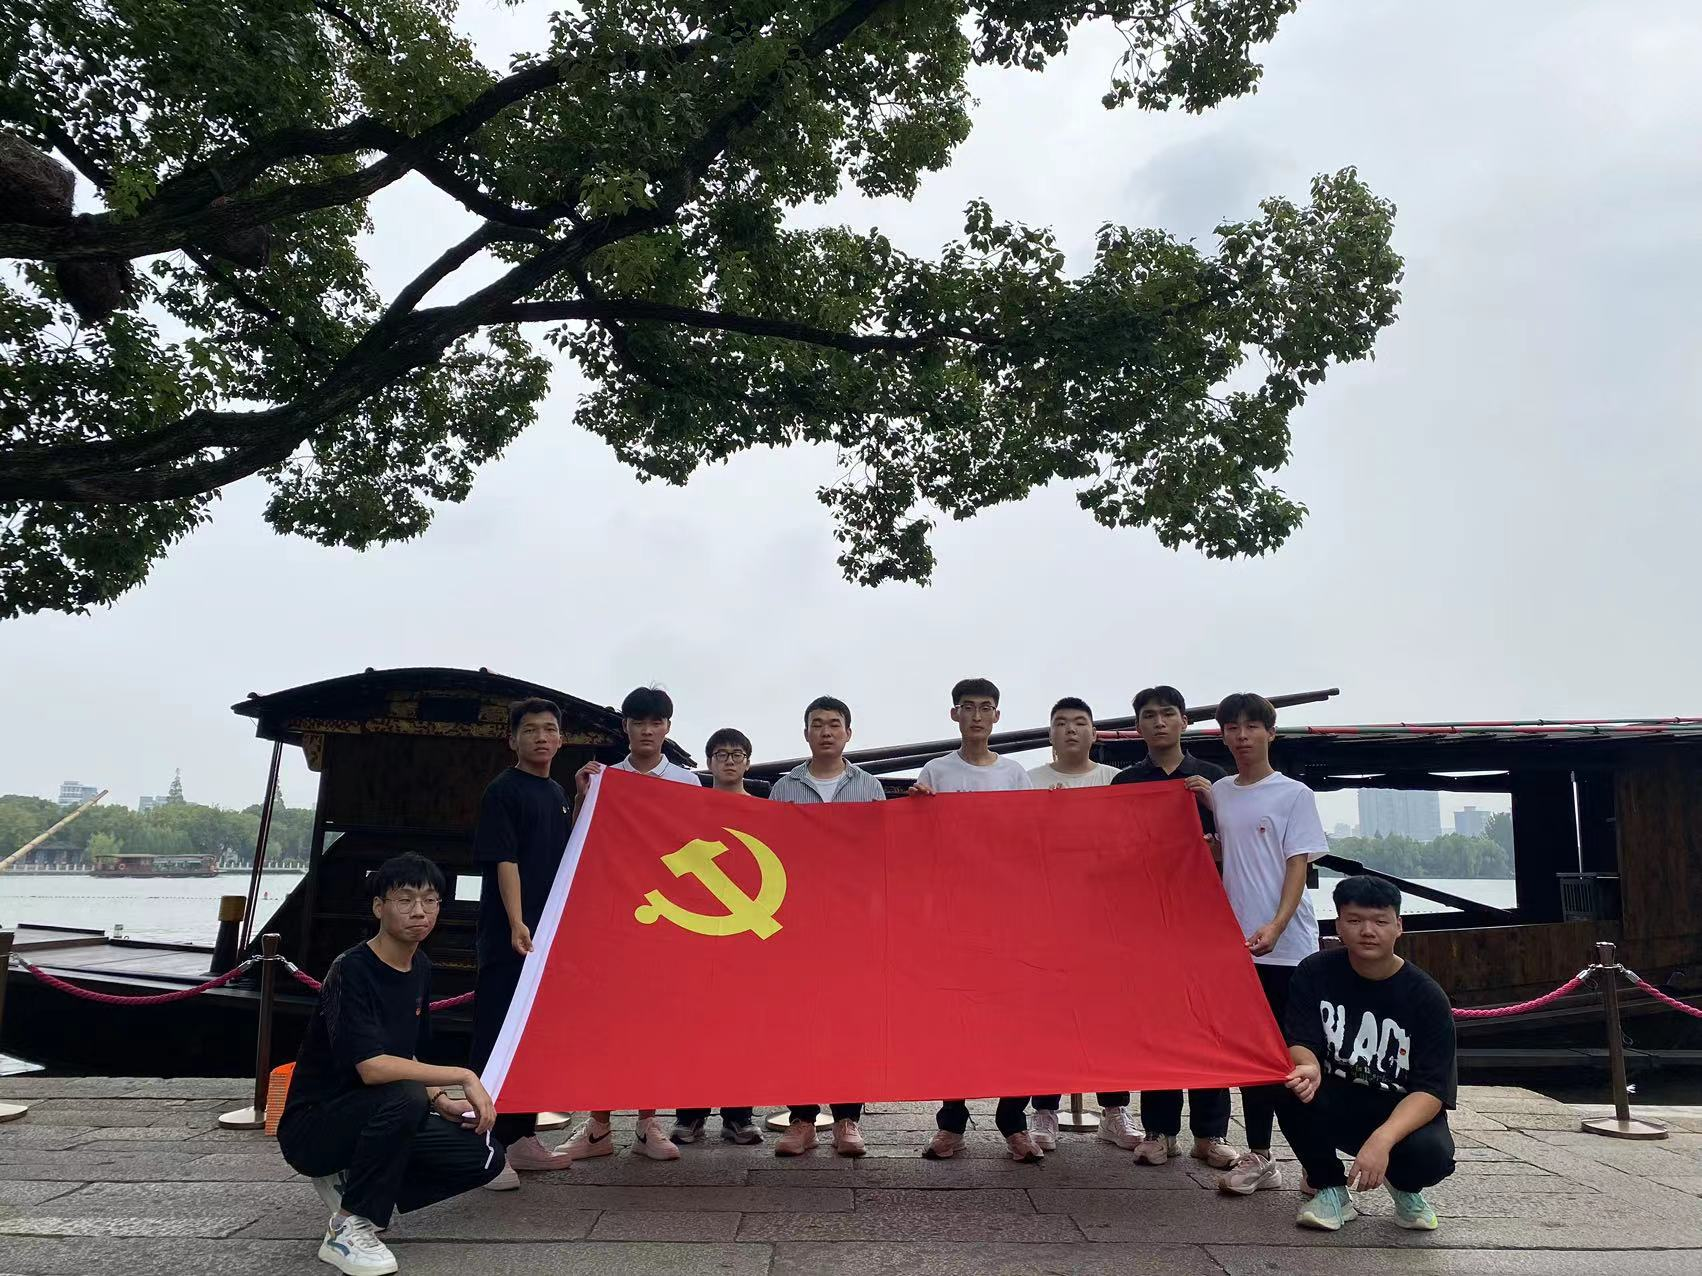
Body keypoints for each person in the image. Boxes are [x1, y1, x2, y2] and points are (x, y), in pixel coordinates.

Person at [278, 853, 506, 1276]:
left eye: (430, 900)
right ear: (378, 907)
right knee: (404, 1095)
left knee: (484, 1155)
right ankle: (348, 1227)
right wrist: (462, 1075)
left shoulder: (420, 966)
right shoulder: (351, 970)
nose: (419, 911)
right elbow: (373, 1067)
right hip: (316, 1124)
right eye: (405, 900)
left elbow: (407, 1053)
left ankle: (358, 1181)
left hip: (380, 1112)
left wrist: (441, 1100)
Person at [1190, 692, 1328, 1195]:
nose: (1242, 736)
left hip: (1286, 946)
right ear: (1222, 734)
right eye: (1232, 727)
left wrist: (1276, 924)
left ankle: (1317, 1160)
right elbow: (1232, 848)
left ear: (1271, 732)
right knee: (1250, 1054)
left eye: (1252, 726)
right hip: (1236, 946)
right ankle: (1261, 1153)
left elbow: (1297, 864)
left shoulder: (1294, 794)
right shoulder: (1221, 792)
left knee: (1295, 1057)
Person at [560, 686, 699, 1162]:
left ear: (667, 727)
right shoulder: (605, 777)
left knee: (656, 1021)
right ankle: (598, 1125)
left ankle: (647, 1122)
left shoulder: (686, 781)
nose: (646, 730)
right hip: (614, 914)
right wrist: (582, 797)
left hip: (668, 915)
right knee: (605, 1020)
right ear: (625, 727)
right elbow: (580, 844)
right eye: (638, 721)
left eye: (655, 722)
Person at [911, 677, 1044, 1164]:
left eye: (986, 708)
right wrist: (916, 811)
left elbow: (1031, 836)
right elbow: (920, 843)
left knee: (1014, 1020)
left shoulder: (1014, 774)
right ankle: (951, 1122)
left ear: (997, 716)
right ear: (955, 715)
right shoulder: (937, 771)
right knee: (954, 1016)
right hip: (953, 914)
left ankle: (1014, 1122)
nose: (977, 716)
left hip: (1006, 914)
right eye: (968, 707)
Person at [1105, 686, 1237, 1170]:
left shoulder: (1215, 779)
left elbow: (1240, 845)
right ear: (1137, 726)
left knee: (1208, 1023)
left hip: (1205, 916)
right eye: (1149, 716)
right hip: (1146, 920)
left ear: (1184, 721)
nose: (1159, 723)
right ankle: (1159, 1130)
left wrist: (1214, 808)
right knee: (1158, 1023)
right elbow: (1112, 848)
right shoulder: (1125, 783)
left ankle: (1211, 1132)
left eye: (1167, 714)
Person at [1278, 875, 1456, 1231]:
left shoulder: (1427, 997)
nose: (1368, 931)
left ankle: (1404, 1187)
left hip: (1396, 1107)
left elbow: (1432, 1090)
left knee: (1432, 1154)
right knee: (1289, 1083)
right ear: (1338, 925)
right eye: (1355, 920)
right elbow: (1301, 1039)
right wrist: (1308, 1065)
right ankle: (1328, 1187)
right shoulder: (1314, 972)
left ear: (1399, 926)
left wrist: (1383, 1139)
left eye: (1380, 921)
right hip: (1335, 1098)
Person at [766, 696, 887, 1158]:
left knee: (848, 1019)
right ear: (806, 733)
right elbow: (773, 852)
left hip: (853, 922)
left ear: (848, 733)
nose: (826, 732)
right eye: (817, 724)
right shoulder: (784, 788)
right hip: (797, 921)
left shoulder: (870, 787)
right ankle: (801, 1119)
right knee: (799, 1019)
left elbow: (882, 853)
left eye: (834, 724)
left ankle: (847, 1118)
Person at [467, 698, 574, 1179]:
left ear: (561, 739)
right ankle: (484, 1148)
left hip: (545, 935)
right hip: (510, 935)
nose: (541, 738)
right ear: (512, 739)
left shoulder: (555, 792)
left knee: (533, 1037)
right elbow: (503, 859)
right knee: (497, 1036)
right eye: (530, 730)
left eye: (549, 729)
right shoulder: (503, 790)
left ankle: (521, 1136)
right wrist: (516, 920)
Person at [1025, 696, 1119, 1151]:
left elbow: (1125, 844)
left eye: (1080, 722)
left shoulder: (1116, 781)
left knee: (1108, 1014)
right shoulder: (1028, 782)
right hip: (1044, 915)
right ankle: (1044, 1109)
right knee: (1048, 1015)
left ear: (1094, 733)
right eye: (1061, 723)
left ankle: (1115, 1109)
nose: (1070, 730)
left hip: (1101, 916)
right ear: (1050, 734)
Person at [670, 727, 764, 1147]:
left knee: (742, 1027)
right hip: (699, 930)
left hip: (749, 935)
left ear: (748, 762)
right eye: (721, 754)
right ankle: (689, 1115)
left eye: (737, 754)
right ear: (708, 762)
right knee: (694, 1025)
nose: (729, 760)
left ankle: (738, 1116)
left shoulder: (765, 810)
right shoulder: (690, 809)